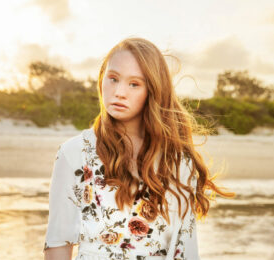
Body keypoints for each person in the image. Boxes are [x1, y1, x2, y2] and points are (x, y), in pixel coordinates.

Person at [43, 37, 234, 260]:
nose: (119, 92)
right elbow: (58, 242)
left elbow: (185, 248)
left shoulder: (178, 161)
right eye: (113, 79)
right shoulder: (74, 153)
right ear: (102, 79)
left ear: (152, 90)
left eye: (134, 84)